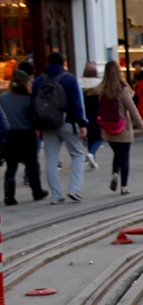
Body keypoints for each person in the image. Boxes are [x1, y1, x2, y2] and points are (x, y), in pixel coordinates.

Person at [32, 51, 88, 203]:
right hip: (67, 122)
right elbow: (77, 103)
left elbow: (34, 104)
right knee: (77, 154)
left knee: (51, 158)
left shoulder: (38, 81)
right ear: (63, 63)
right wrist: (82, 123)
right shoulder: (69, 79)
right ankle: (74, 189)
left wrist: (36, 124)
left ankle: (56, 194)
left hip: (46, 124)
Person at [96, 60, 143, 194]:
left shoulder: (102, 89)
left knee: (117, 153)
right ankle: (124, 187)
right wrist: (142, 126)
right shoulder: (123, 89)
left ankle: (114, 174)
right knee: (124, 156)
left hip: (108, 128)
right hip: (123, 128)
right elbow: (132, 108)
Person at [1, 71, 48, 203]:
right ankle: (37, 191)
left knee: (11, 166)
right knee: (32, 165)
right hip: (27, 135)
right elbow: (34, 117)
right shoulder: (29, 99)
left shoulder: (4, 97)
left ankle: (9, 196)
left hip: (9, 135)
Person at [78, 61, 104, 170]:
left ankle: (91, 155)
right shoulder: (100, 83)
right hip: (97, 111)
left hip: (84, 111)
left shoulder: (79, 82)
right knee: (100, 136)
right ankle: (92, 154)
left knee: (89, 136)